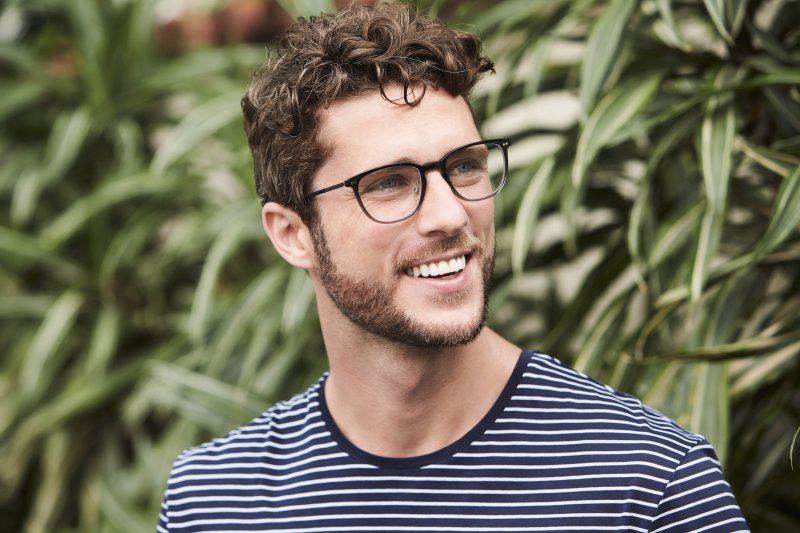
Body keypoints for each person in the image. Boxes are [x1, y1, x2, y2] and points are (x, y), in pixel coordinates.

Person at [158, 2, 749, 531]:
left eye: (465, 167)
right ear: (292, 235)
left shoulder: (648, 485)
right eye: (389, 183)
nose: (451, 214)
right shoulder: (215, 500)